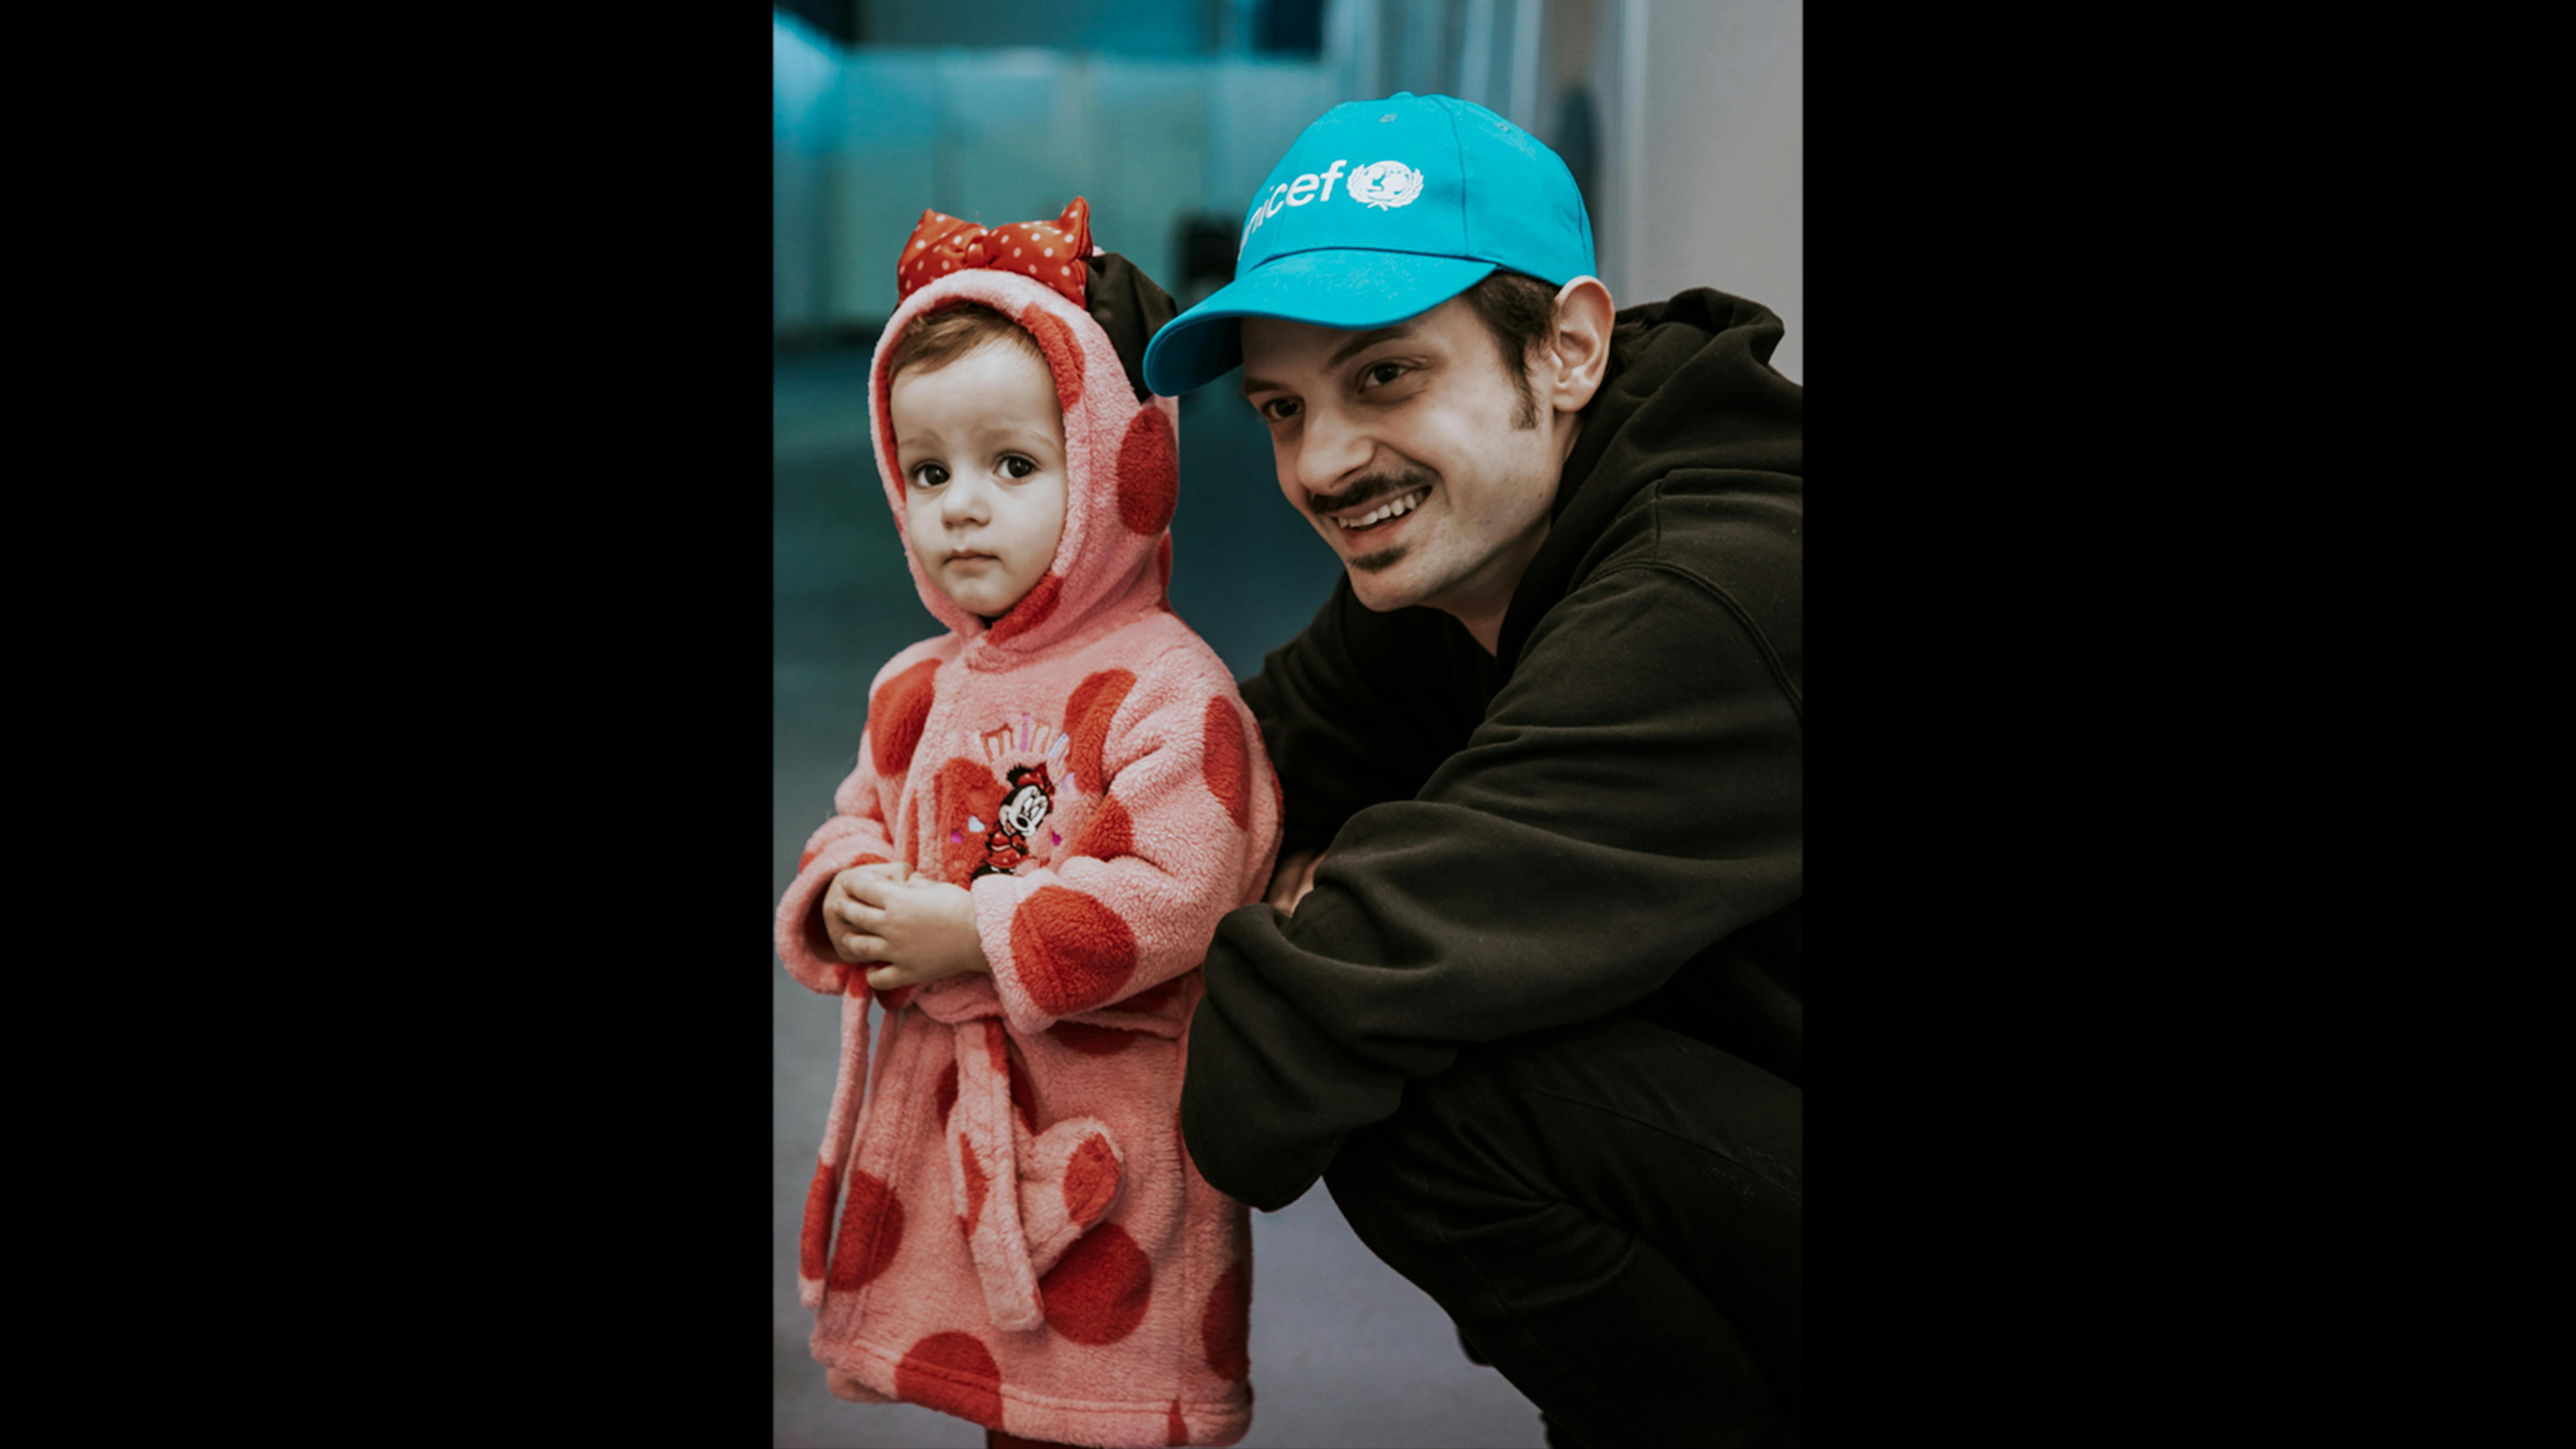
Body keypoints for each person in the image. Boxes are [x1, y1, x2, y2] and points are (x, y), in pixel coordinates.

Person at [1140, 95, 1804, 1449]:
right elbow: (1222, 783)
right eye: (1280, 407)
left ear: (1564, 348)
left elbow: (1279, 1064)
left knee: (1433, 1101)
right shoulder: (1477, 552)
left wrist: (1303, 913)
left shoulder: (1712, 584)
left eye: (1384, 377)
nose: (1323, 463)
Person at [774, 196, 1282, 1449]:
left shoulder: (1170, 689)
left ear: (1118, 466)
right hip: (959, 1126)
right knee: (1011, 1407)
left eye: (1013, 466)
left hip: (1111, 1136)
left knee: (1103, 1406)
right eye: (929, 471)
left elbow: (1180, 890)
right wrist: (844, 891)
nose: (959, 509)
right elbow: (856, 820)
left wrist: (973, 936)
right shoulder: (916, 683)